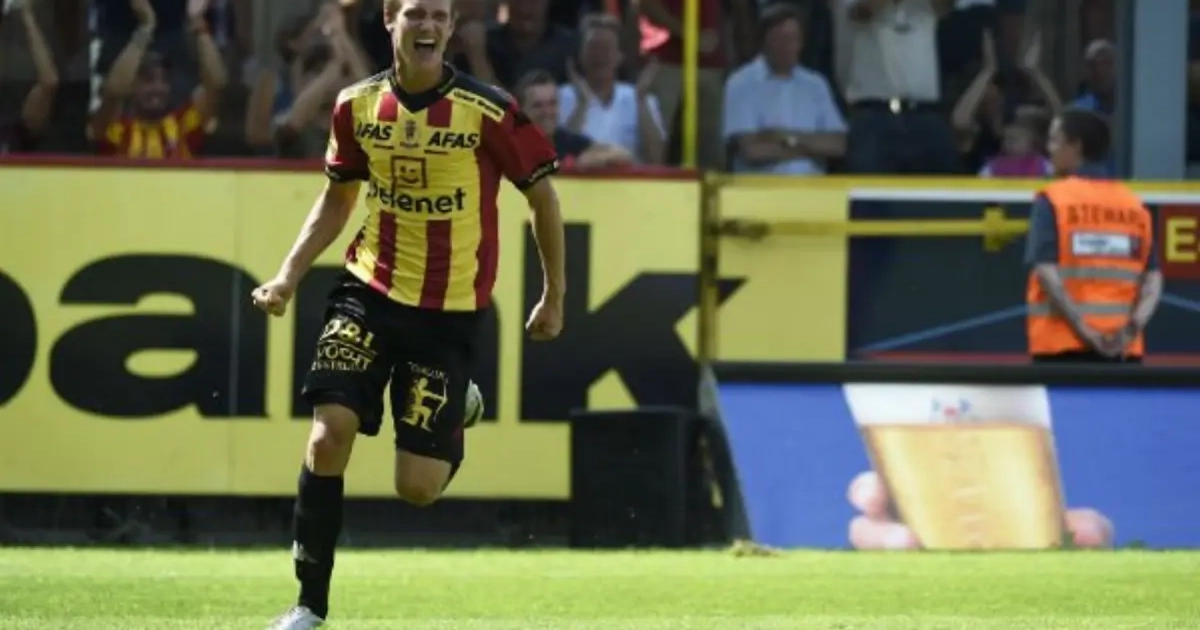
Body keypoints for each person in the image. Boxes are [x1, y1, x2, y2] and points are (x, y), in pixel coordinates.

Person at [251, 1, 567, 628]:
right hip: (368, 289)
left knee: (417, 488)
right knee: (328, 434)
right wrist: (287, 275)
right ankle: (309, 605)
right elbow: (338, 198)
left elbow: (543, 196)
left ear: (450, 27)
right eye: (416, 14)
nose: (429, 26)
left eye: (440, 17)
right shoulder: (356, 105)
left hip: (447, 314)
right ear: (389, 21)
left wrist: (553, 294)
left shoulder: (488, 109)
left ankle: (459, 404)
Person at [1025, 109, 1163, 364]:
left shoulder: (1054, 199)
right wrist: (1129, 332)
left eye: (1054, 140)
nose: (1049, 149)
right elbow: (1152, 280)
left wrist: (1086, 332)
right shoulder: (1134, 205)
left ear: (1075, 146)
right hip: (1123, 351)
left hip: (1062, 347)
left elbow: (1046, 271)